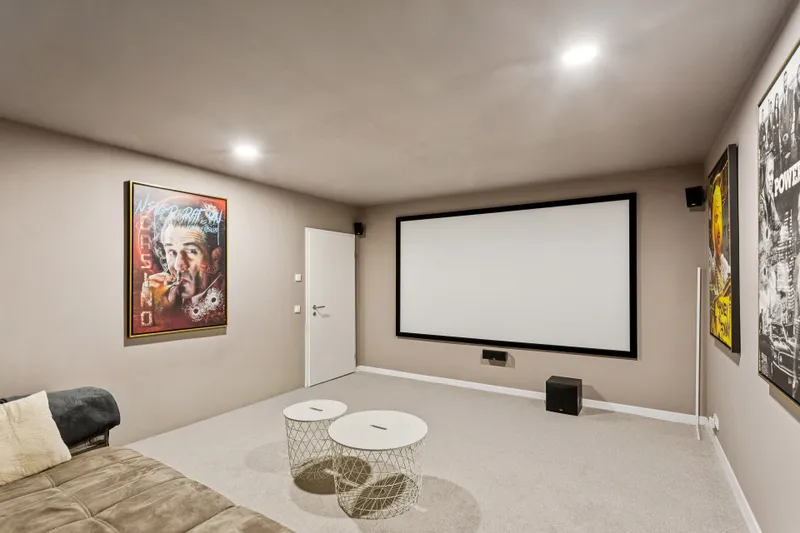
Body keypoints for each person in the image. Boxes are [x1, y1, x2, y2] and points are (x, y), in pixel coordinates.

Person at [141, 202, 226, 323]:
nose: (178, 266)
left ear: (215, 258)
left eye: (191, 251)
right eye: (172, 252)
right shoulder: (167, 296)